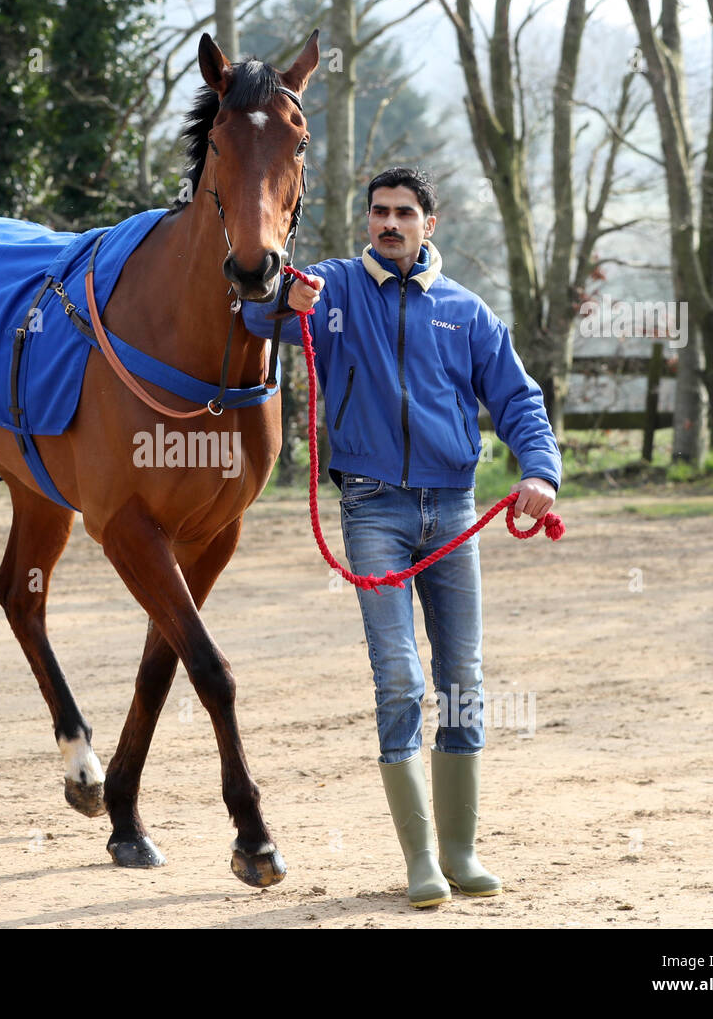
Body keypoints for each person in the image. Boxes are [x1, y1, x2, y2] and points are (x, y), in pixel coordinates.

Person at [241, 166, 561, 907]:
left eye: (404, 213)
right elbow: (259, 316)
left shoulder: (467, 312)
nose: (390, 223)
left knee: (463, 681)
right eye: (379, 212)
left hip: (453, 511)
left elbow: (518, 398)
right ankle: (420, 859)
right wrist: (277, 300)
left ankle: (460, 852)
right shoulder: (333, 289)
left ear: (429, 225)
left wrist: (539, 470)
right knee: (399, 679)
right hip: (373, 506)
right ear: (366, 222)